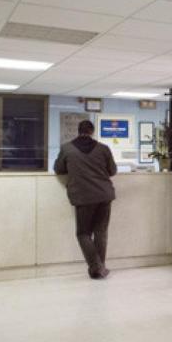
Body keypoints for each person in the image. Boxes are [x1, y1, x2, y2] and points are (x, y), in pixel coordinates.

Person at [53, 120, 117, 280]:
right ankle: (99, 268)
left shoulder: (67, 148)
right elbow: (112, 170)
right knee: (101, 232)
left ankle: (97, 268)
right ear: (93, 131)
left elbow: (59, 169)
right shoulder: (103, 148)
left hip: (83, 196)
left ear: (78, 131)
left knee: (83, 233)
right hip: (104, 195)